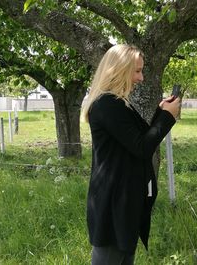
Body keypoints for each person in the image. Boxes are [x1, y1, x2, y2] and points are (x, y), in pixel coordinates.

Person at [81, 44, 180, 264]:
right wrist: (167, 118)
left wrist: (160, 112)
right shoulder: (107, 104)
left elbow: (139, 138)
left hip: (123, 201)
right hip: (113, 204)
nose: (141, 78)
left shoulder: (118, 103)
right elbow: (142, 148)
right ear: (118, 70)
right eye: (136, 71)